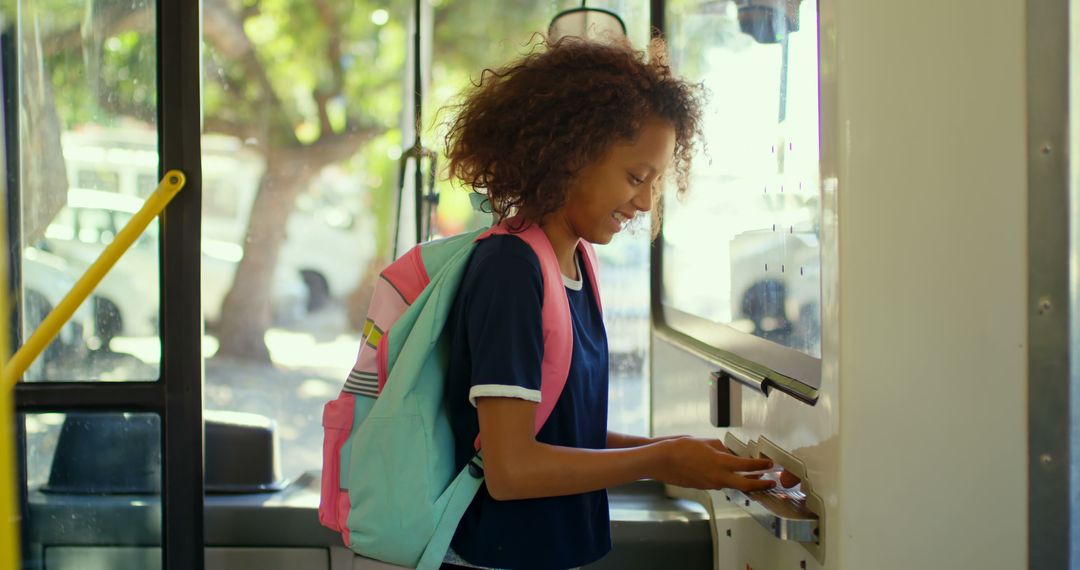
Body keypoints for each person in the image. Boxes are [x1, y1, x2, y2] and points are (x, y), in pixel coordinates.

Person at [439, 36, 778, 570]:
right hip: (498, 556)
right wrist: (660, 460)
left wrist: (666, 448)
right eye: (636, 177)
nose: (645, 201)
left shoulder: (574, 265)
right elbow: (511, 470)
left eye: (655, 183)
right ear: (568, 156)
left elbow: (557, 426)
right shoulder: (510, 270)